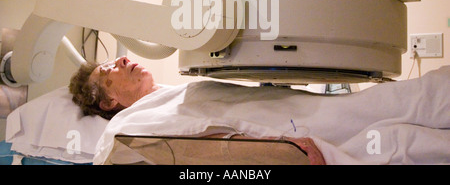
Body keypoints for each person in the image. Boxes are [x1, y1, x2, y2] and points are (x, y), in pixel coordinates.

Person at [69, 56, 326, 164]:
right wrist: (283, 150)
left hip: (300, 109)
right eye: (107, 72)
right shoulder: (128, 127)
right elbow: (203, 151)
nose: (122, 60)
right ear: (109, 101)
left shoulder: (175, 93)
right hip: (305, 138)